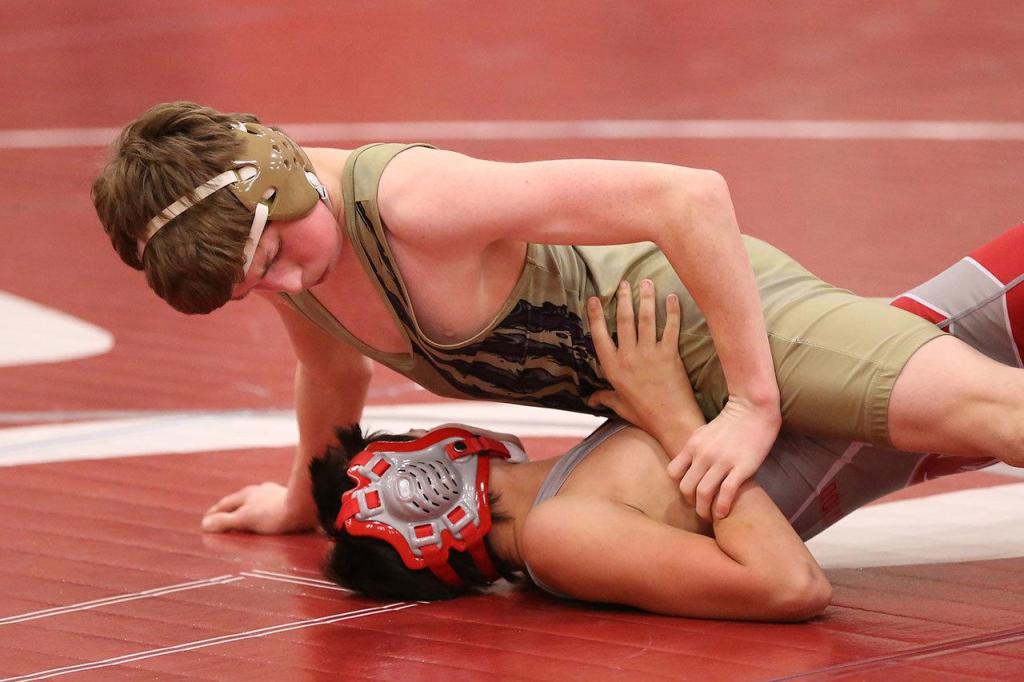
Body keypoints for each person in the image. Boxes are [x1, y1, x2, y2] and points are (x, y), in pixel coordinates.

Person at [90, 101, 1024, 534]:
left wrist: (751, 400)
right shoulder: (307, 261)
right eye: (257, 285)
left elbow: (688, 196)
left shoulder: (411, 201)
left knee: (987, 415)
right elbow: (332, 375)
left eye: (274, 257)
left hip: (713, 326)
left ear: (282, 170)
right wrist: (306, 500)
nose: (287, 287)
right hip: (649, 408)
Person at [309, 274, 1016, 621]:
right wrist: (675, 414)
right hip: (922, 373)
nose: (413, 436)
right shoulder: (559, 534)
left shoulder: (560, 502)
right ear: (419, 488)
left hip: (905, 365)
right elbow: (788, 586)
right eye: (395, 445)